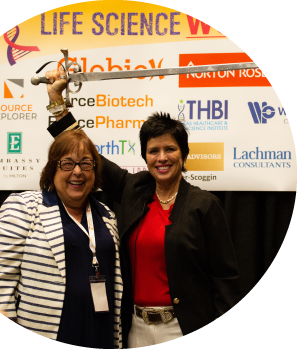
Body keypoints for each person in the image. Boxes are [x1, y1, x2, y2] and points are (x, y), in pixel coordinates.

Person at [45, 66, 241, 348]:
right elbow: (85, 152)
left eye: (170, 149)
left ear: (184, 154)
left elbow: (225, 278)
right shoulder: (134, 190)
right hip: (134, 328)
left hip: (184, 326)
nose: (162, 158)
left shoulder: (204, 205)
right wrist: (56, 101)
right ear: (145, 157)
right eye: (153, 151)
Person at [0, 130, 123, 348]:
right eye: (67, 164)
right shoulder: (24, 207)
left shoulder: (107, 216)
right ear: (52, 169)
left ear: (94, 172)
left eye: (86, 164)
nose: (77, 172)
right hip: (49, 329)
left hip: (100, 331)